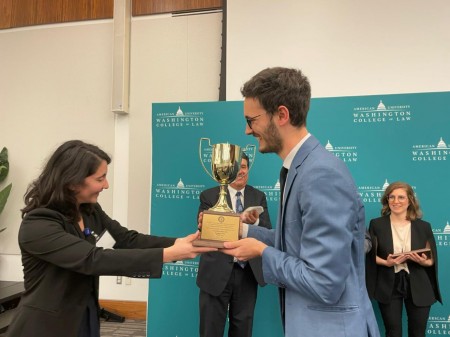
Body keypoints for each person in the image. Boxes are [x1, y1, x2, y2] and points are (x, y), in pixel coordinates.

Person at [219, 67, 380, 337]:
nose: (247, 130)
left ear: (282, 114)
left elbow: (324, 282)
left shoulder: (320, 174)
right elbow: (297, 243)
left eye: (252, 120)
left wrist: (260, 251)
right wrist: (244, 231)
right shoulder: (302, 168)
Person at [6, 140, 216, 337]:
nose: (106, 185)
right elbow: (92, 259)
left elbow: (126, 240)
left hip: (85, 317)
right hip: (45, 326)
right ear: (72, 182)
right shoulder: (38, 224)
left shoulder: (90, 211)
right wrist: (166, 254)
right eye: (100, 179)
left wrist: (179, 243)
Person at [196, 153, 272, 337]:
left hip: (247, 273)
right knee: (210, 330)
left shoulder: (258, 197)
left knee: (243, 330)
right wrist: (240, 220)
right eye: (236, 168)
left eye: (244, 167)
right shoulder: (210, 196)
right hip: (216, 273)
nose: (241, 171)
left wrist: (253, 224)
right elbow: (207, 233)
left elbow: (268, 233)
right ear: (227, 170)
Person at [366, 181, 441, 337]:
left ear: (410, 200)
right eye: (391, 197)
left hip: (418, 283)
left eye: (401, 197)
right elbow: (370, 256)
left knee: (418, 333)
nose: (396, 201)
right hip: (388, 283)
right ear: (387, 200)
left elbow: (431, 260)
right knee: (393, 332)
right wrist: (386, 262)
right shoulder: (376, 224)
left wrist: (422, 261)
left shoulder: (424, 226)